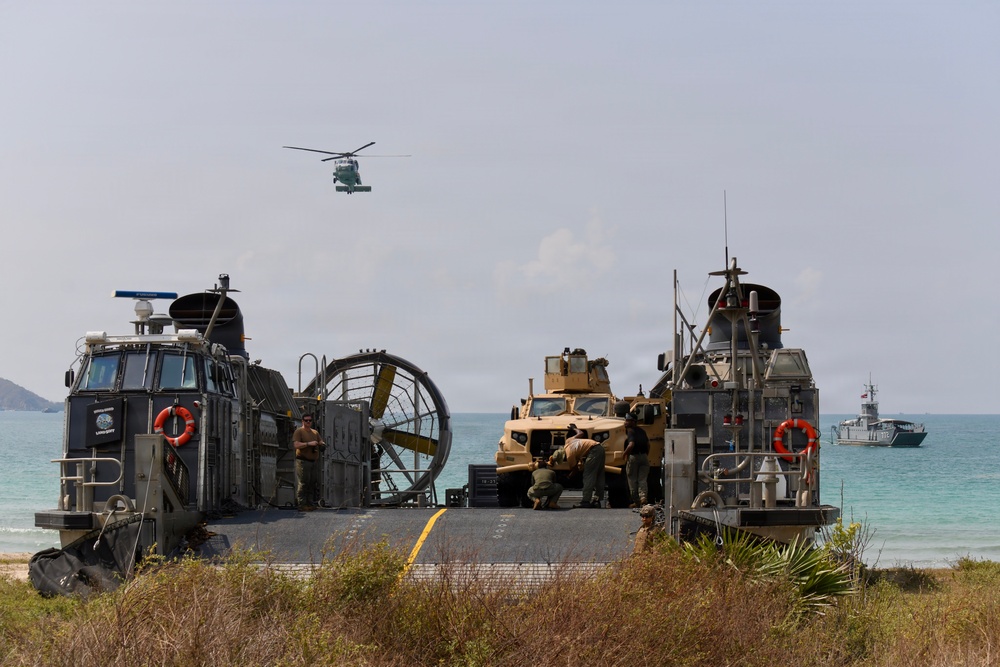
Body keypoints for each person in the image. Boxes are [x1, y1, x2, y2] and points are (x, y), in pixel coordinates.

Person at [550, 433, 605, 508]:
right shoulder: (568, 441)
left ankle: (585, 501)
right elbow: (581, 433)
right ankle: (597, 500)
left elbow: (575, 469)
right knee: (599, 475)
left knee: (588, 476)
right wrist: (574, 428)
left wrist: (568, 477)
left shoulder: (569, 456)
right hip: (600, 447)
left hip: (593, 451)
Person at [292, 414, 326, 511]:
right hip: (303, 461)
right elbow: (296, 445)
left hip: (313, 461)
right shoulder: (299, 431)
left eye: (310, 420)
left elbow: (320, 441)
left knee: (312, 483)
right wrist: (308, 444)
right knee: (304, 483)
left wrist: (322, 444)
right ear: (302, 421)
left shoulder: (315, 432)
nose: (308, 422)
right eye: (306, 420)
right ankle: (301, 504)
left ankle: (309, 503)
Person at [623, 413, 650, 508]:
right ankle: (643, 497)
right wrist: (645, 455)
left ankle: (637, 501)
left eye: (628, 421)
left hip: (634, 457)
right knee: (642, 479)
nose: (625, 422)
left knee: (632, 479)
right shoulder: (642, 431)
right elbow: (648, 445)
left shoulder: (631, 432)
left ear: (633, 422)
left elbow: (631, 445)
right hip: (644, 457)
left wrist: (624, 454)